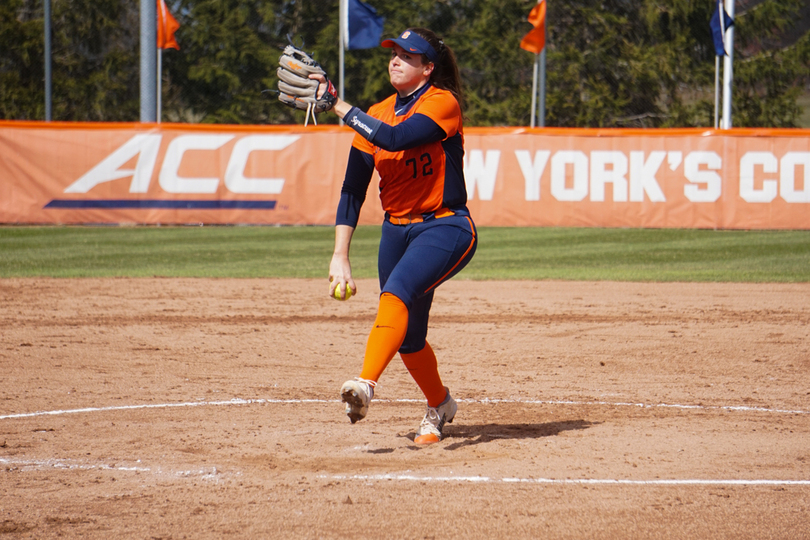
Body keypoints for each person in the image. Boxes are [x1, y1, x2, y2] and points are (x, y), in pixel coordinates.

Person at [316, 28, 477, 445]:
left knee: (398, 293)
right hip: (396, 231)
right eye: (393, 52)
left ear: (428, 68)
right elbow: (353, 190)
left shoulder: (442, 103)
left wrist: (337, 105)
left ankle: (365, 385)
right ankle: (440, 405)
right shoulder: (376, 112)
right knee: (409, 338)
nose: (396, 59)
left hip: (445, 225)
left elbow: (396, 138)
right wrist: (340, 254)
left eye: (408, 55)